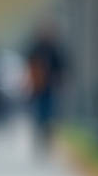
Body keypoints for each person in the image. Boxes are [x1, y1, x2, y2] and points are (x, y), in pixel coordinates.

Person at [24, 22, 66, 153]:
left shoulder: (53, 49)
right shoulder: (35, 49)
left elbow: (60, 67)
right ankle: (39, 135)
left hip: (49, 87)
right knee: (39, 113)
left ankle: (46, 136)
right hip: (37, 88)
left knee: (49, 113)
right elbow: (29, 66)